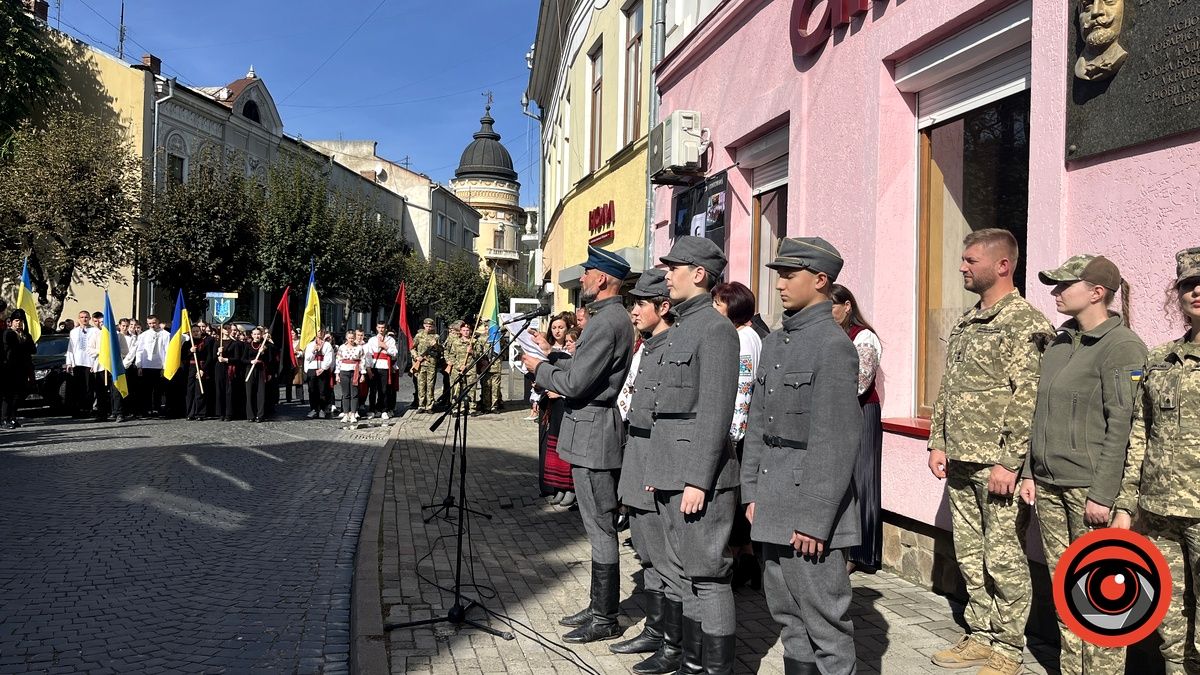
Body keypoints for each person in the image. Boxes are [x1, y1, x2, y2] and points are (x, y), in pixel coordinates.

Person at [927, 229, 1052, 675]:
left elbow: (1029, 398)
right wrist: (938, 440)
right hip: (961, 457)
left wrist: (1010, 462)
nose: (962, 266)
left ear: (1002, 265)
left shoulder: (1025, 323)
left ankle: (1008, 648)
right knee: (969, 552)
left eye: (970, 260)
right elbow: (950, 385)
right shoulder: (968, 319)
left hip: (996, 463)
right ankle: (980, 634)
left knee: (1003, 557)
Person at [1014, 255, 1144, 674]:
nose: (1055, 292)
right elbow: (1039, 411)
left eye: (1064, 285)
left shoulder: (1123, 346)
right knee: (1066, 588)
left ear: (1096, 292)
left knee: (1102, 593)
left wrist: (1104, 494)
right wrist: (1031, 471)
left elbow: (1123, 427)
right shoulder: (1060, 342)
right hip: (1050, 485)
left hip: (1089, 490)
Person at [740, 237, 862, 674]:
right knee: (788, 618)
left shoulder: (832, 346)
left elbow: (836, 440)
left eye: (790, 275)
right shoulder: (775, 344)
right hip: (772, 501)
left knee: (825, 626)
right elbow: (758, 425)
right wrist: (751, 491)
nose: (780, 284)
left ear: (821, 279)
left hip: (809, 507)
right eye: (779, 275)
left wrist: (815, 518)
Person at [520, 245, 635, 645]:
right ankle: (597, 605)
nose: (582, 278)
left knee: (601, 527)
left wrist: (541, 368)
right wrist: (554, 359)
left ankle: (605, 616)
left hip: (594, 432)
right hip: (589, 430)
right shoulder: (609, 318)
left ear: (602, 279)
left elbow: (575, 384)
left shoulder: (607, 323)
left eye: (587, 272)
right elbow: (581, 370)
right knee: (594, 525)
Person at [636, 237, 740, 673]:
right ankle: (692, 664)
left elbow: (714, 411)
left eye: (674, 268)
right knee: (684, 575)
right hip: (671, 472)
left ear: (698, 274)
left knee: (708, 578)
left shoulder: (715, 330)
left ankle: (711, 669)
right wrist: (658, 470)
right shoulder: (682, 328)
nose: (666, 275)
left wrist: (698, 479)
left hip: (698, 478)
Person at [1113, 246, 1200, 674]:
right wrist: (1128, 503)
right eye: (1187, 284)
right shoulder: (1160, 359)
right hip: (1159, 511)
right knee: (1169, 619)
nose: (1196, 290)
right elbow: (1139, 435)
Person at [611, 270, 680, 672]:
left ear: (663, 307)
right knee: (646, 553)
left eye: (640, 303)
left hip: (656, 462)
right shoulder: (648, 347)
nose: (633, 311)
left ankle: (673, 642)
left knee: (664, 557)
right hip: (636, 456)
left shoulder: (672, 347)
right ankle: (656, 630)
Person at [830, 284, 885, 574]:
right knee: (844, 480)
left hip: (862, 412)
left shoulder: (864, 337)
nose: (828, 313)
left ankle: (863, 553)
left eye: (832, 306)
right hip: (839, 413)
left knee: (863, 480)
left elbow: (860, 382)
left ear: (847, 306)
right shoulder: (831, 335)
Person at [712, 281, 763, 591]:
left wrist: (732, 434)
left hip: (737, 433)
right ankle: (748, 564)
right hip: (741, 432)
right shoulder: (748, 335)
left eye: (718, 304)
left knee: (733, 502)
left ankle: (740, 564)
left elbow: (742, 390)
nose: (714, 309)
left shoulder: (743, 339)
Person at [536, 312, 576, 504]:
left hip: (566, 404)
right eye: (554, 328)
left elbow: (575, 380)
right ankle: (558, 486)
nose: (558, 331)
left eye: (561, 327)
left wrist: (559, 392)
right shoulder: (547, 349)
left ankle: (569, 487)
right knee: (554, 446)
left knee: (565, 446)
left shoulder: (572, 351)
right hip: (551, 404)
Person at [1, 310, 36, 429]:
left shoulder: (26, 335)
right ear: (11, 322)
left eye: (21, 321)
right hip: (9, 369)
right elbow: (13, 348)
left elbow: (32, 350)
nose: (19, 323)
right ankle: (5, 419)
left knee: (18, 395)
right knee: (8, 395)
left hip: (23, 369)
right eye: (16, 321)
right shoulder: (8, 333)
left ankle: (13, 417)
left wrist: (25, 336)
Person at [135, 315, 168, 417]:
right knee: (146, 390)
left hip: (159, 365)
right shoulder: (143, 335)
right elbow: (139, 351)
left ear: (158, 322)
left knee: (158, 390)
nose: (152, 325)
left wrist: (165, 367)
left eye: (154, 323)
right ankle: (147, 409)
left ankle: (157, 409)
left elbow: (167, 351)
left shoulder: (166, 334)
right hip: (146, 365)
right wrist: (139, 365)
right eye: (149, 323)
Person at [365, 321, 398, 420]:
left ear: (386, 328)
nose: (381, 329)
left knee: (384, 390)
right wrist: (369, 369)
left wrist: (385, 346)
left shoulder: (390, 340)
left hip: (384, 367)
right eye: (379, 327)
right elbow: (368, 355)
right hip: (374, 366)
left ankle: (384, 409)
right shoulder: (372, 340)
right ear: (376, 328)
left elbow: (395, 353)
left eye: (383, 327)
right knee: (373, 390)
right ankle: (372, 409)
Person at [64, 309, 94, 417]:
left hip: (89, 363)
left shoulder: (95, 331)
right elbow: (71, 348)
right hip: (77, 362)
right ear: (79, 319)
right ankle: (77, 410)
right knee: (76, 387)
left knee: (88, 387)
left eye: (86, 317)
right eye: (82, 317)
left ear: (89, 318)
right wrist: (69, 363)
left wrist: (95, 364)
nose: (84, 319)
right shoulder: (74, 332)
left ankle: (87, 409)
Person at [240, 326, 272, 423]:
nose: (257, 336)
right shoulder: (247, 345)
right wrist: (251, 361)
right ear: (252, 335)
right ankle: (250, 415)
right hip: (250, 370)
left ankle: (260, 415)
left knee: (260, 393)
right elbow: (242, 359)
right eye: (255, 334)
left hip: (261, 370)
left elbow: (270, 360)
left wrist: (263, 353)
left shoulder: (265, 345)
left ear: (261, 335)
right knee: (249, 393)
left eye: (258, 334)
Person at [185, 321, 215, 421]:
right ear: (190, 333)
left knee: (200, 391)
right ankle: (190, 413)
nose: (196, 333)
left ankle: (200, 413)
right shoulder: (188, 343)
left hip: (201, 367)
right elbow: (183, 356)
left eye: (197, 331)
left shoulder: (206, 342)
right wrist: (190, 351)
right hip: (190, 368)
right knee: (190, 391)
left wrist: (203, 370)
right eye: (193, 331)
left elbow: (209, 357)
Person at [444, 322, 477, 415]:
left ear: (470, 331)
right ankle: (457, 408)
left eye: (467, 330)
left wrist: (472, 351)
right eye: (464, 330)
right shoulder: (456, 342)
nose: (466, 332)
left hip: (470, 369)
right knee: (457, 389)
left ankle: (472, 408)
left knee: (471, 389)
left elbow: (479, 355)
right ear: (461, 332)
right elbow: (451, 356)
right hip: (457, 370)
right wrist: (459, 366)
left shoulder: (474, 342)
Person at [410, 318, 442, 412]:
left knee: (430, 384)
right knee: (421, 384)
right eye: (427, 326)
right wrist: (416, 357)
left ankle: (429, 405)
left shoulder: (436, 337)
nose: (428, 328)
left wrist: (436, 345)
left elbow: (441, 350)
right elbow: (412, 348)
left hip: (431, 363)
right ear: (424, 326)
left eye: (430, 326)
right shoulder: (419, 336)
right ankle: (421, 405)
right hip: (421, 363)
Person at [336, 329, 365, 427]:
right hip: (344, 371)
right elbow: (338, 361)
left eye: (352, 338)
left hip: (355, 371)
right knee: (345, 394)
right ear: (346, 338)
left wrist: (363, 374)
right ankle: (346, 413)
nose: (351, 340)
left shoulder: (359, 348)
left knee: (354, 393)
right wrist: (337, 374)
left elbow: (362, 361)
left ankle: (353, 414)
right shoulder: (342, 348)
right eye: (349, 338)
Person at [474, 322, 504, 415]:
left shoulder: (499, 337)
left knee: (495, 387)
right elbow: (478, 352)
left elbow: (503, 349)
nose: (489, 329)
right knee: (486, 386)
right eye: (487, 327)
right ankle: (486, 406)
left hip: (496, 365)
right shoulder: (481, 338)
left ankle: (494, 406)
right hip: (486, 365)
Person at [303, 332, 334, 419]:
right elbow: (307, 358)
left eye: (322, 331)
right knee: (312, 390)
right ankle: (314, 408)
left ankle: (322, 409)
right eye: (318, 331)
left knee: (323, 390)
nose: (320, 333)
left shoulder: (327, 345)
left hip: (322, 369)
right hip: (312, 368)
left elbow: (329, 358)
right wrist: (314, 350)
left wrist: (323, 368)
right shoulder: (310, 345)